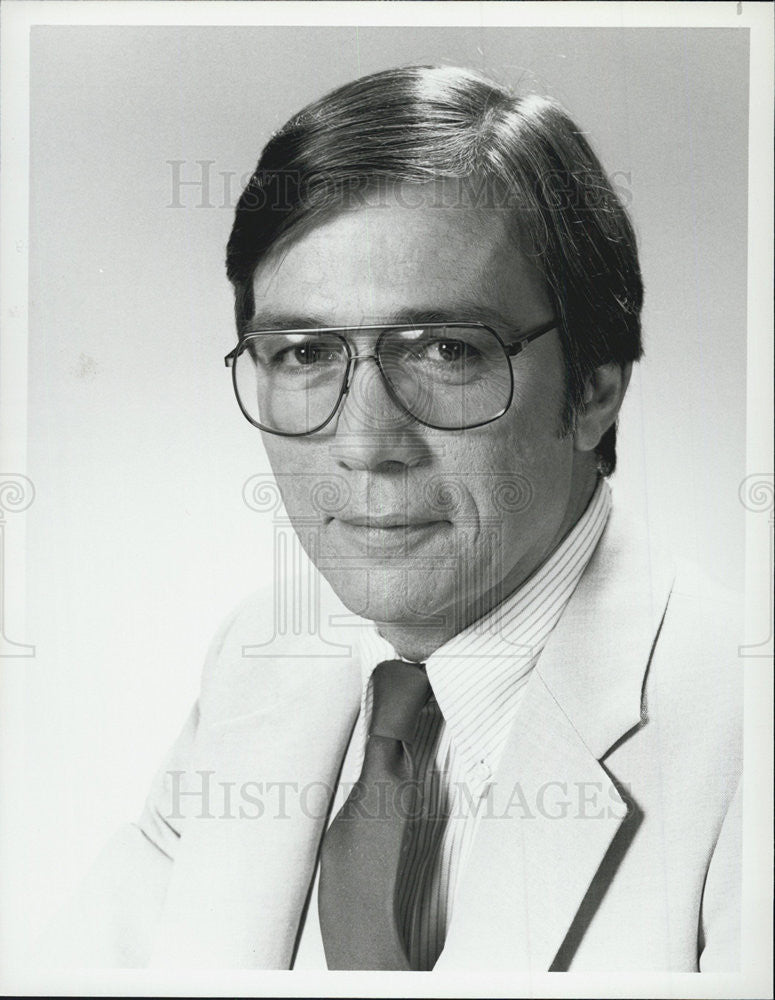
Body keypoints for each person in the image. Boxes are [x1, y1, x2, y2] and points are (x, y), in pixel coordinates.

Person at [39, 65, 742, 972]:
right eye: (302, 352)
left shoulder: (740, 729)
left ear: (595, 386)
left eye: (446, 350)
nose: (366, 443)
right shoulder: (262, 659)